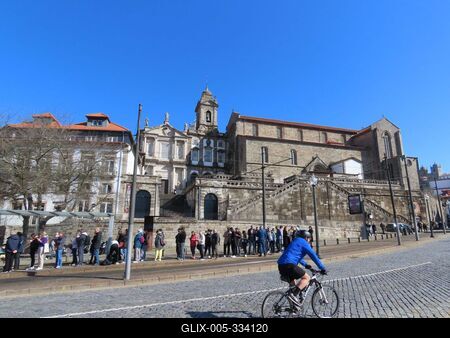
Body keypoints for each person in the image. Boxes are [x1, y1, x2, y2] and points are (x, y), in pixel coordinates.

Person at [277, 230, 327, 310]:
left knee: (293, 285)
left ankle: (293, 307)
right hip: (289, 265)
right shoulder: (304, 243)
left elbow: (296, 256)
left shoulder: (295, 241)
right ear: (306, 238)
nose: (309, 240)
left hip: (281, 266)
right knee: (306, 278)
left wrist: (306, 265)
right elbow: (313, 255)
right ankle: (293, 295)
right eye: (309, 239)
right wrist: (322, 268)